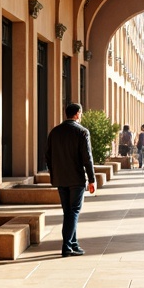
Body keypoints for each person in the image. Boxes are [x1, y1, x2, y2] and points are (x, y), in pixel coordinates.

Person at [45, 102, 96, 257]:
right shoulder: (82, 132)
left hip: (61, 179)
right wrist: (92, 179)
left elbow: (48, 157)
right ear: (78, 113)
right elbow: (87, 158)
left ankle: (73, 244)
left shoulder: (55, 131)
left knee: (68, 212)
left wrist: (54, 174)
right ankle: (67, 246)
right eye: (81, 113)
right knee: (73, 211)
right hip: (76, 178)